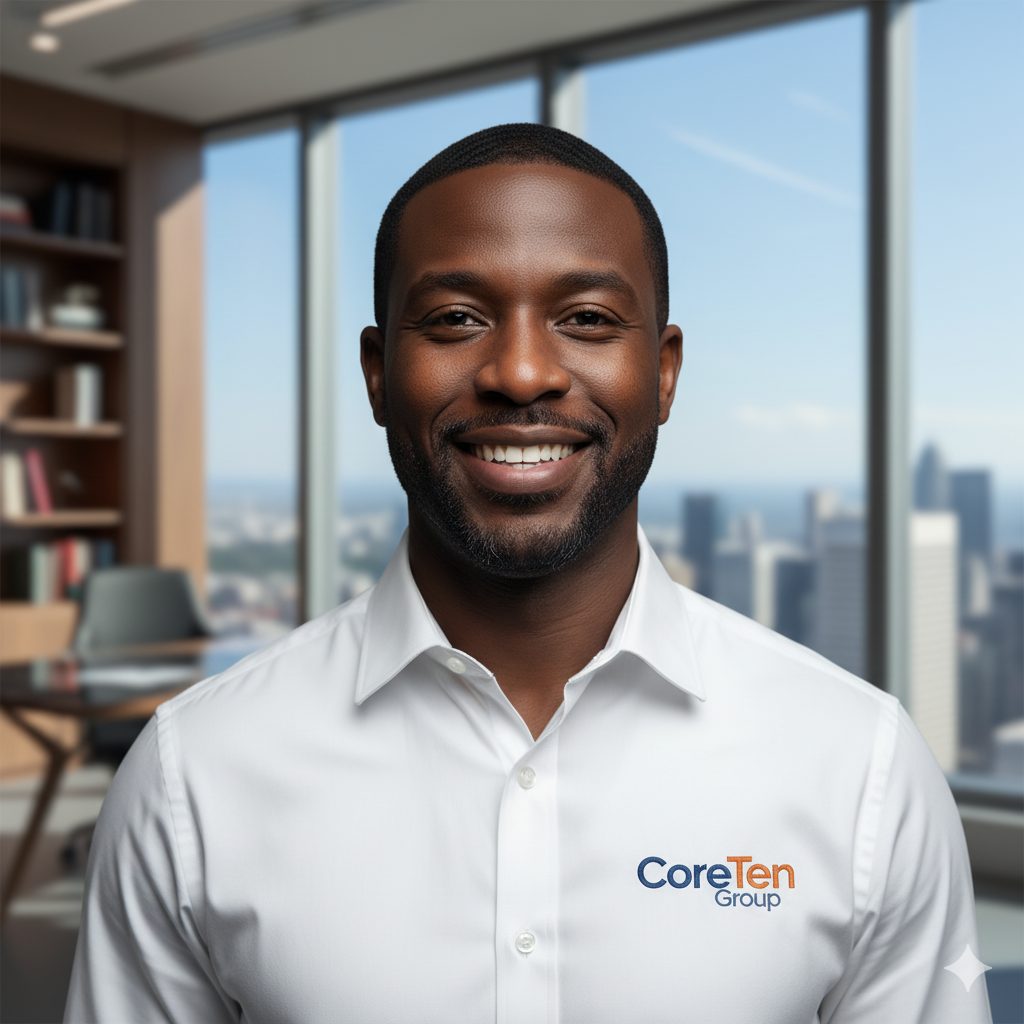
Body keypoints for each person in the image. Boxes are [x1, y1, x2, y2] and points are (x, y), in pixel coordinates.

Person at [65, 124, 990, 1024]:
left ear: (662, 374)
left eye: (586, 319)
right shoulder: (196, 774)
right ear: (379, 374)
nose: (518, 371)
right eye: (457, 318)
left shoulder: (859, 766)